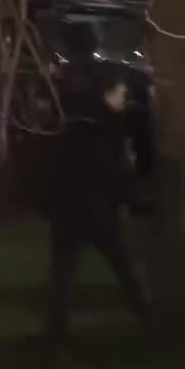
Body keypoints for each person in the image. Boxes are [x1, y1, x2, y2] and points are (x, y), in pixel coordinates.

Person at [44, 67, 152, 345]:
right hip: (96, 211)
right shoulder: (105, 126)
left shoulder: (72, 120)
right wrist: (138, 199)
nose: (123, 97)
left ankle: (56, 332)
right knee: (124, 266)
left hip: (67, 211)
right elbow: (112, 171)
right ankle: (145, 314)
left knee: (63, 275)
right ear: (107, 93)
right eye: (120, 92)